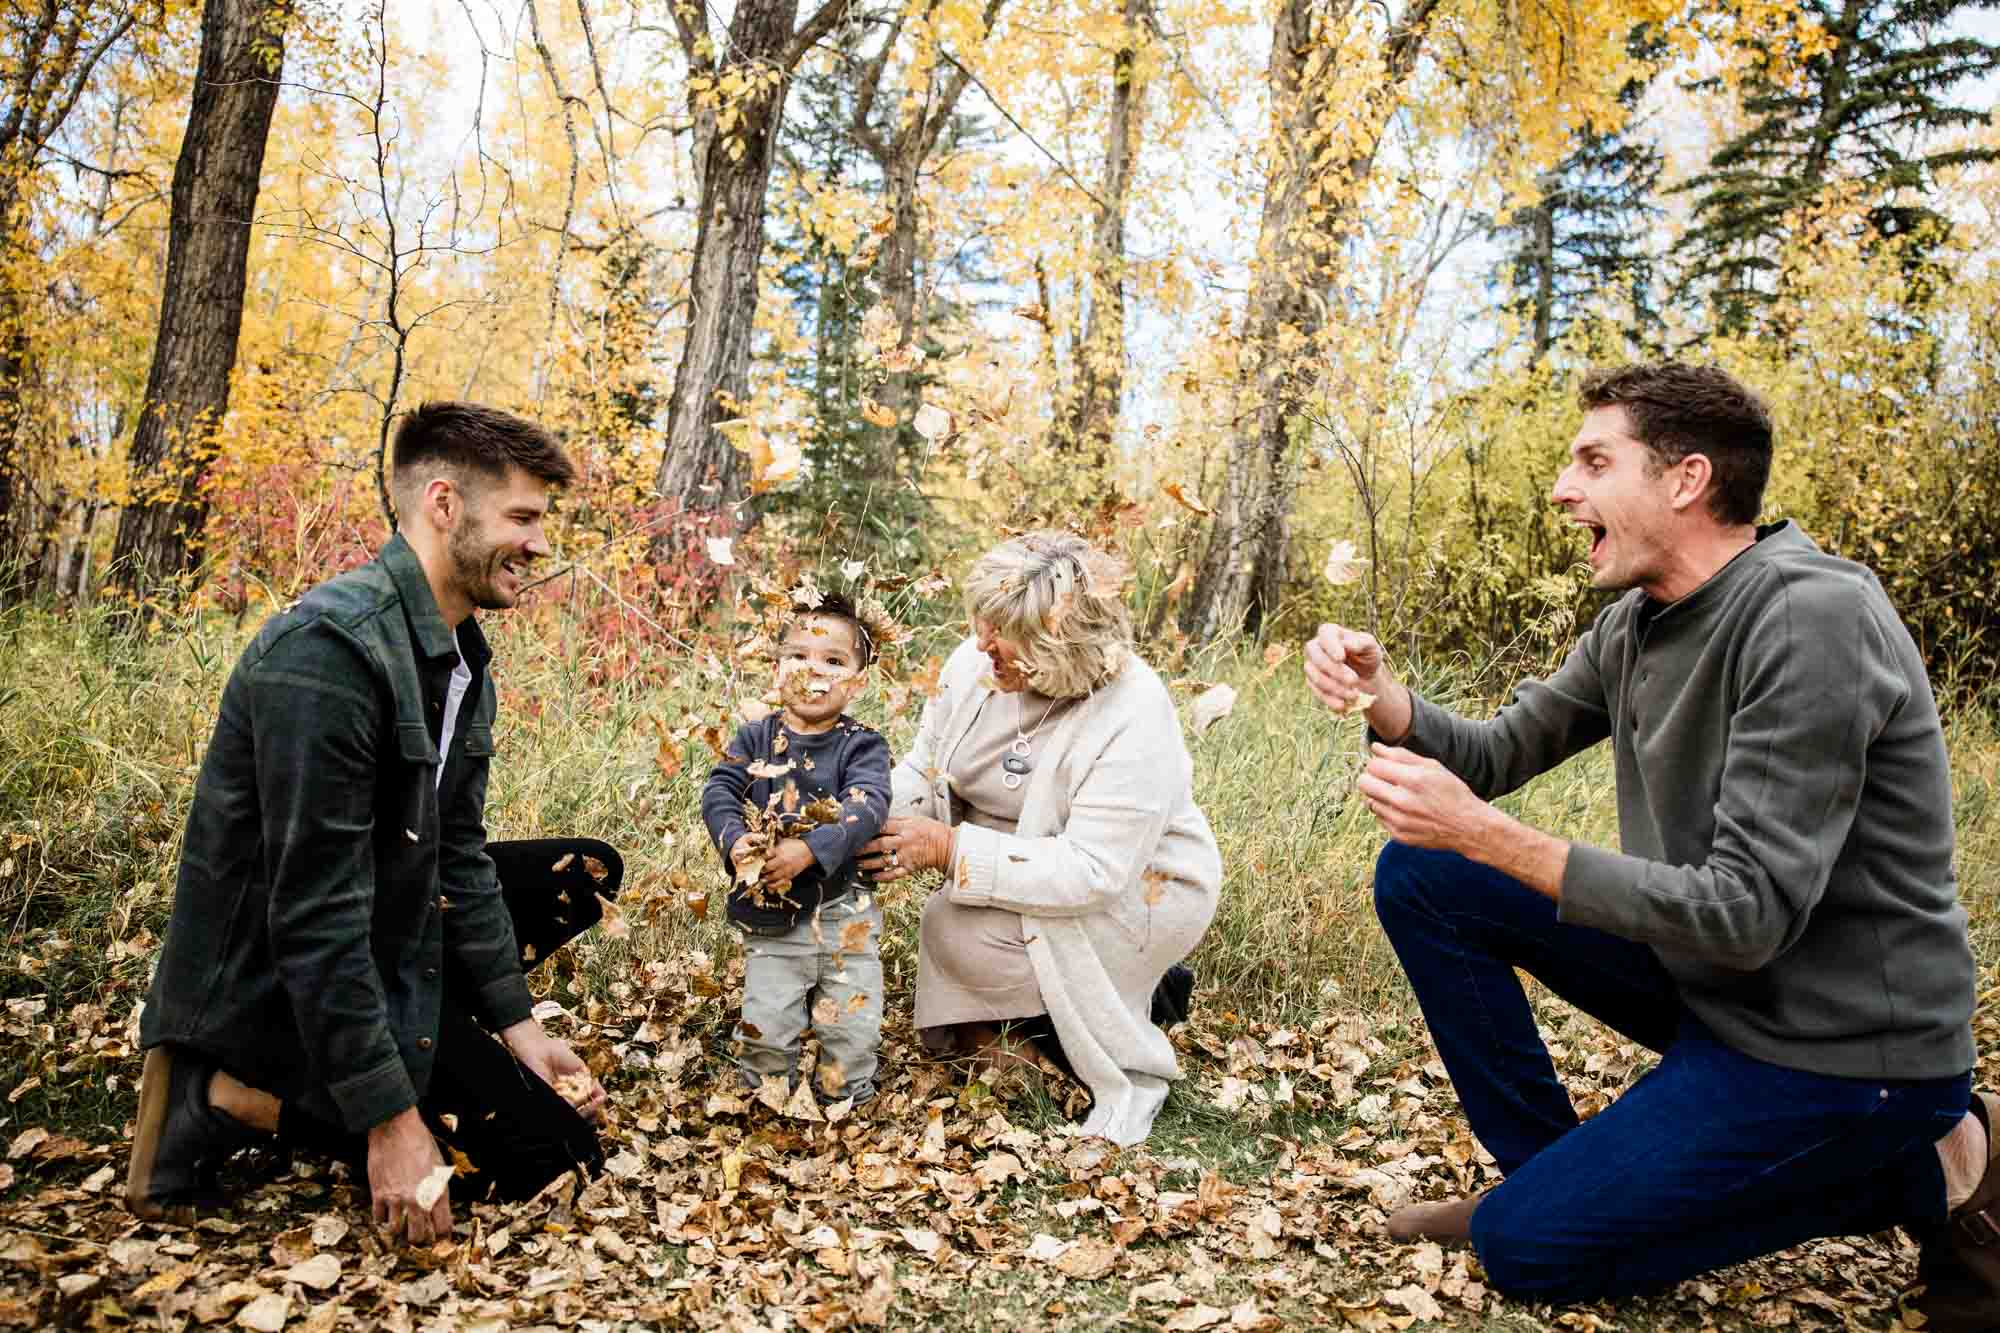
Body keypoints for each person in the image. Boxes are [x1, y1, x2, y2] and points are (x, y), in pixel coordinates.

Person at [1304, 362, 1995, 1325]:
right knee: (1428, 873)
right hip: (1726, 993)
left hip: (1846, 1051)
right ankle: (1555, 1182)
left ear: (1686, 480)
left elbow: (1747, 914)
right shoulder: (1638, 620)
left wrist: (1494, 836)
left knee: (1527, 1251)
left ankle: (1944, 1163)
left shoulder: (1810, 617)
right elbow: (1496, 752)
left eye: (1594, 460)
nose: (1562, 487)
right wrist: (1383, 695)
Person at [128, 402, 618, 1244]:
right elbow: (314, 915)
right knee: (554, 1159)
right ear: (443, 504)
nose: (540, 545)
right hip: (267, 983)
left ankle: (428, 1040)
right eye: (524, 518)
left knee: (583, 872)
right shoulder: (328, 654)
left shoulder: (459, 652)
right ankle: (221, 1091)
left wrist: (521, 1029)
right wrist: (391, 1120)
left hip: (373, 930)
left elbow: (456, 852)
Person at [859, 531, 1220, 1146]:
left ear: (1064, 643)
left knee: (957, 925)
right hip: (1009, 856)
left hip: (1137, 887)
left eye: (1003, 633)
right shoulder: (970, 669)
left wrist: (946, 850)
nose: (981, 644)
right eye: (982, 622)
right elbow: (924, 770)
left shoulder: (1134, 711)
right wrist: (854, 816)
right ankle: (1062, 1016)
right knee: (955, 929)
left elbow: (1093, 870)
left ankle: (1102, 1010)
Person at [701, 593, 892, 1104]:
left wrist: (810, 848)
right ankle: (766, 1099)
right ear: (778, 667)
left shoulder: (861, 744)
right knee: (768, 1015)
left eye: (833, 661)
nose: (814, 670)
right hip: (773, 911)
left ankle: (846, 1099)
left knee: (851, 1025)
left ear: (857, 680)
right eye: (800, 656)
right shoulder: (756, 737)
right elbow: (720, 790)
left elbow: (867, 806)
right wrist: (735, 840)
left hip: (843, 910)